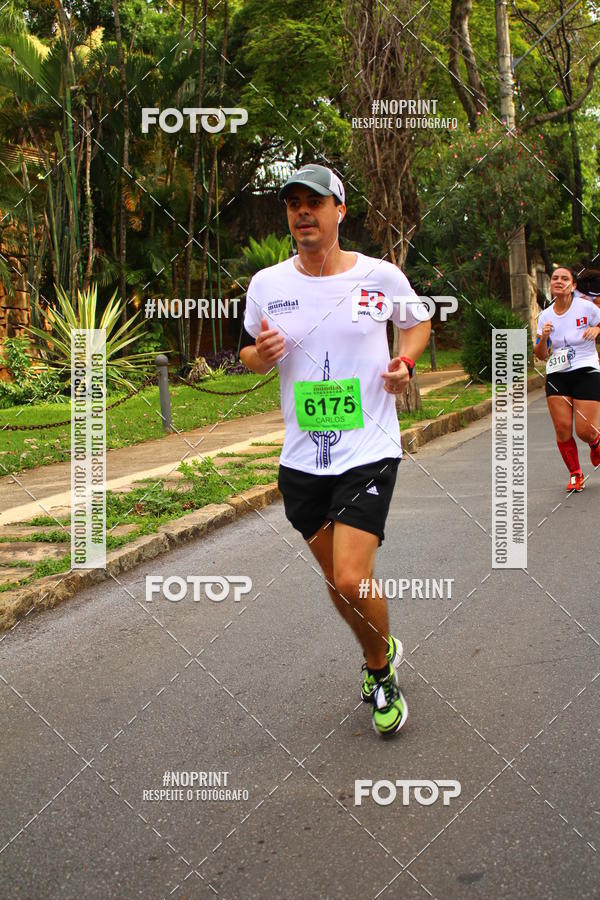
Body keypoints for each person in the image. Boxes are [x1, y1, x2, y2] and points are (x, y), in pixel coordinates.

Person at [239, 164, 430, 736]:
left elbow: (416, 324)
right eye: (293, 203)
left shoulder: (379, 277)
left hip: (369, 448)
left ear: (339, 211)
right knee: (339, 582)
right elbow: (248, 354)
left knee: (350, 578)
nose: (302, 212)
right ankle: (383, 643)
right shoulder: (268, 285)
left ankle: (380, 671)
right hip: (301, 461)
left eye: (314, 202)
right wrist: (262, 356)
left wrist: (405, 363)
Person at [534, 266, 600, 491]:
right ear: (551, 286)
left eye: (564, 278)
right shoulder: (545, 316)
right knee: (562, 428)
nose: (559, 281)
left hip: (585, 369)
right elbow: (541, 355)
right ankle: (575, 474)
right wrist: (543, 339)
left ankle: (595, 442)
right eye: (555, 278)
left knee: (584, 430)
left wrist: (597, 330)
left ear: (573, 286)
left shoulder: (587, 308)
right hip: (557, 373)